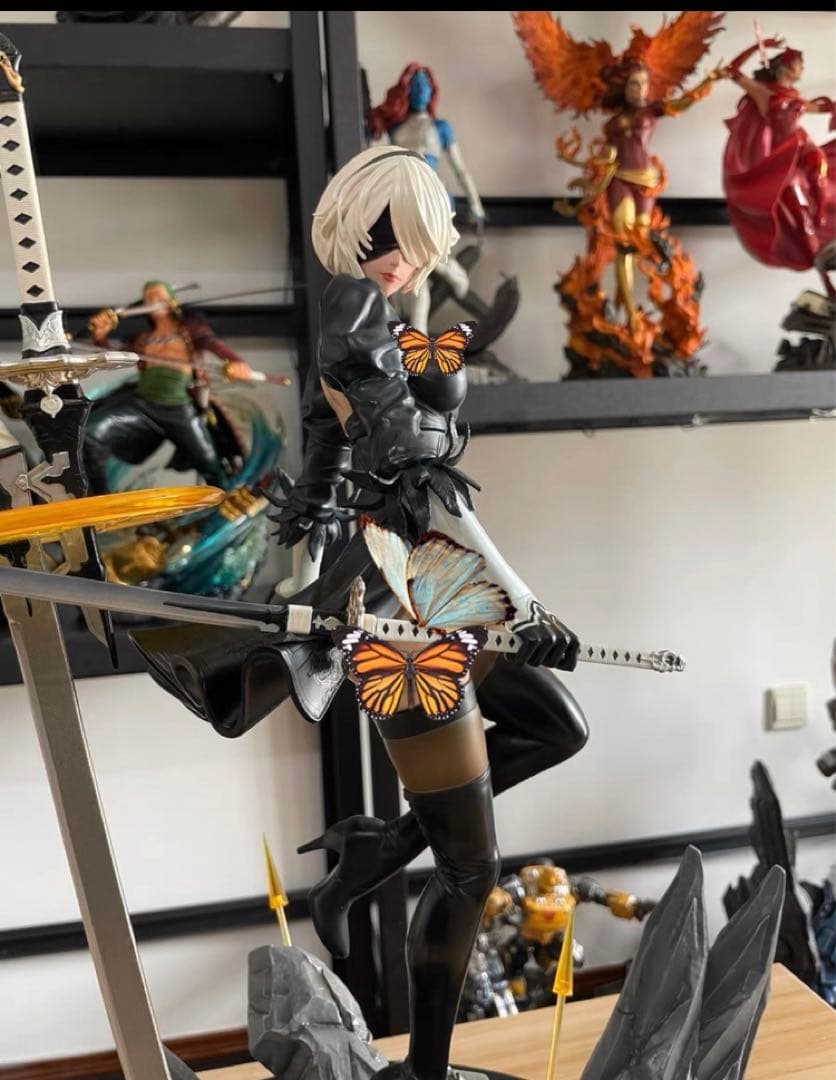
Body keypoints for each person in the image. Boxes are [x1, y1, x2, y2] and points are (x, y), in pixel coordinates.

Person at [131, 147, 587, 1080]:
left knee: (556, 728)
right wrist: (526, 603)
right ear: (358, 230)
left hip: (432, 589)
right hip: (398, 613)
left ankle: (377, 850)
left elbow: (324, 475)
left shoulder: (382, 316)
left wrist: (310, 568)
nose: (403, 257)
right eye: (390, 239)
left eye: (413, 242)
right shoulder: (356, 319)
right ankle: (425, 1071)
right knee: (471, 870)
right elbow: (427, 487)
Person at [367, 64, 518, 351]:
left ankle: (443, 288)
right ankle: (443, 289)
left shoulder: (440, 127)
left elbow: (461, 169)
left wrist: (476, 205)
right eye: (416, 85)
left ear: (432, 91)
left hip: (433, 200)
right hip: (403, 199)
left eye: (425, 85)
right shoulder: (395, 127)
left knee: (422, 263)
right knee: (414, 273)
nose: (421, 90)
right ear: (406, 91)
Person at [84, 280, 253, 492]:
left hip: (178, 407)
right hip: (143, 404)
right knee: (90, 433)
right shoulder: (143, 339)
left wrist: (236, 363)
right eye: (149, 299)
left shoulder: (190, 330)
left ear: (172, 301)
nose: (154, 301)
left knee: (210, 462)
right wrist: (100, 336)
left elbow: (215, 345)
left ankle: (225, 498)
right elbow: (113, 356)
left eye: (160, 297)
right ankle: (101, 498)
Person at [722, 44, 836, 294]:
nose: (802, 69)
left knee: (820, 169)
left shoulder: (794, 97)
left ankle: (819, 215)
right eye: (799, 63)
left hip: (801, 145)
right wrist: (757, 47)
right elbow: (732, 70)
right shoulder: (764, 94)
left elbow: (819, 108)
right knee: (798, 212)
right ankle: (815, 251)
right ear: (784, 66)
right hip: (784, 158)